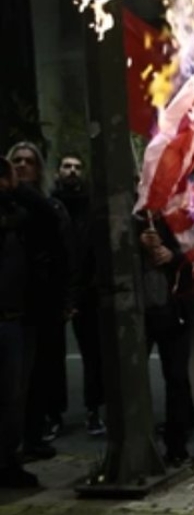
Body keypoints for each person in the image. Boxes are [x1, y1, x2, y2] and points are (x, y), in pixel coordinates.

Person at [0, 156, 64, 487]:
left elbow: (49, 220)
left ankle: (9, 461)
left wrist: (17, 187)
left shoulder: (21, 211)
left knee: (15, 397)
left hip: (19, 315)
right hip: (9, 316)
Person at [135, 213, 194, 466]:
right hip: (138, 313)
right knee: (132, 379)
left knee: (177, 379)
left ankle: (176, 445)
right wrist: (136, 243)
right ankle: (140, 444)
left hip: (173, 311)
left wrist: (173, 256)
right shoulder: (123, 217)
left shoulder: (179, 215)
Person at [50, 154, 105, 437]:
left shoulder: (91, 207)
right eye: (67, 166)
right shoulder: (50, 205)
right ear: (58, 172)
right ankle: (53, 413)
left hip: (86, 290)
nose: (72, 171)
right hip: (54, 289)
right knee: (50, 355)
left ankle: (94, 409)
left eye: (77, 167)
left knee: (93, 353)